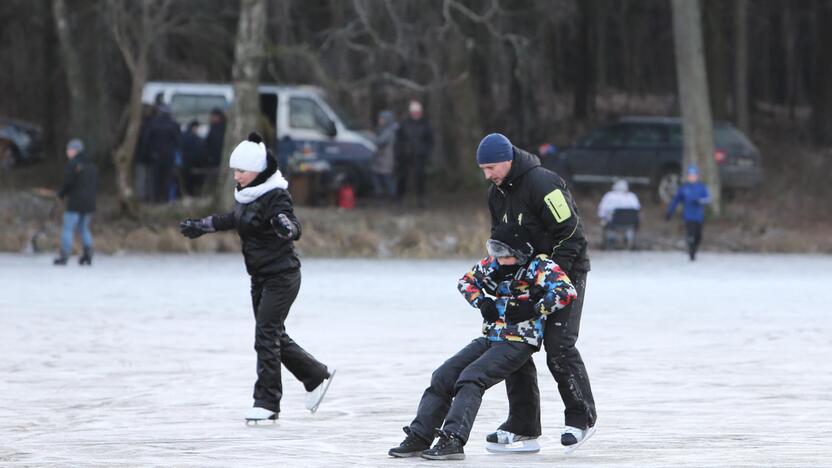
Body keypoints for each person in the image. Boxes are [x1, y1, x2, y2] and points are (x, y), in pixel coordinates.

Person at [179, 132, 335, 423]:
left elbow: (291, 223)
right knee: (273, 335)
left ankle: (267, 402)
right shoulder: (246, 195)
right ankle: (315, 376)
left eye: (241, 171)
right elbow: (232, 219)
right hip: (260, 276)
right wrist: (202, 225)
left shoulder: (276, 195)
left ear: (258, 170)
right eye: (234, 171)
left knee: (265, 335)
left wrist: (286, 226)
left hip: (282, 276)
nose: (236, 176)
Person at [388, 223, 577, 461]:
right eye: (495, 252)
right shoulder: (493, 264)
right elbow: (465, 281)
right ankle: (420, 436)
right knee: (443, 375)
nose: (498, 259)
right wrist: (482, 302)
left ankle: (453, 439)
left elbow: (566, 291)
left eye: (505, 254)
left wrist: (534, 307)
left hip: (519, 340)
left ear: (520, 252)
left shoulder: (540, 266)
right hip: (491, 337)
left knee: (472, 377)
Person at [476, 133, 596, 452]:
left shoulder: (544, 183)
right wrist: (497, 282)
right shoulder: (496, 194)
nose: (488, 175)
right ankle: (523, 425)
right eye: (483, 169)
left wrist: (549, 279)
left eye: (491, 168)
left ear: (508, 159)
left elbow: (570, 234)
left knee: (558, 345)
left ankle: (580, 417)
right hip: (522, 276)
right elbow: (500, 239)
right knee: (514, 342)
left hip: (565, 272)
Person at [54, 139, 98, 266]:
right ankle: (88, 254)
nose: (67, 152)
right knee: (84, 228)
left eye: (69, 149)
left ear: (75, 150)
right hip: (90, 202)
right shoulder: (92, 165)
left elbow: (69, 182)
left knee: (68, 227)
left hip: (75, 202)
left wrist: (61, 194)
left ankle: (64, 255)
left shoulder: (73, 164)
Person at [666, 165, 711, 261]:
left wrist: (699, 201)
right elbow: (676, 200)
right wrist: (670, 212)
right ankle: (691, 252)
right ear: (688, 176)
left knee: (698, 236)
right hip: (688, 216)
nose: (692, 177)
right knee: (690, 234)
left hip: (699, 216)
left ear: (697, 176)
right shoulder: (684, 188)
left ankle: (694, 248)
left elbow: (708, 199)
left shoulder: (702, 187)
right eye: (690, 175)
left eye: (694, 175)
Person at [394, 100, 433, 207]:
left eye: (418, 112)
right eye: (414, 112)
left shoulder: (426, 124)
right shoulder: (404, 124)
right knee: (402, 178)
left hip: (420, 156)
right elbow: (398, 140)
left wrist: (425, 151)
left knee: (420, 178)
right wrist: (399, 153)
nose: (416, 114)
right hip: (404, 156)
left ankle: (422, 200)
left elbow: (430, 141)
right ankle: (399, 199)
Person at [144, 104, 181, 203]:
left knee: (156, 178)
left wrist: (150, 152)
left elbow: (147, 140)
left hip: (156, 155)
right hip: (169, 155)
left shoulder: (153, 123)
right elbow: (178, 141)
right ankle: (165, 198)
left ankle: (155, 198)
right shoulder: (174, 124)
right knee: (167, 178)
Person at [597, 179, 641, 249]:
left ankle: (611, 238)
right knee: (629, 221)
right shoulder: (632, 196)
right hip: (630, 223)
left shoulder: (609, 196)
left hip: (613, 222)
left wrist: (603, 217)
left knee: (606, 220)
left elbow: (601, 212)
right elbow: (637, 210)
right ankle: (628, 238)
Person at [371, 110, 397, 199]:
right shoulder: (383, 130)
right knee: (376, 176)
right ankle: (380, 193)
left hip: (386, 158)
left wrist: (370, 136)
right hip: (381, 158)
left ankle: (392, 195)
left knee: (386, 178)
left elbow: (379, 142)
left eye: (382, 119)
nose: (380, 121)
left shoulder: (389, 132)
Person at [180, 120, 205, 195]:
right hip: (192, 163)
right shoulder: (196, 138)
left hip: (186, 163)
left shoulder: (184, 136)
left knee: (188, 181)